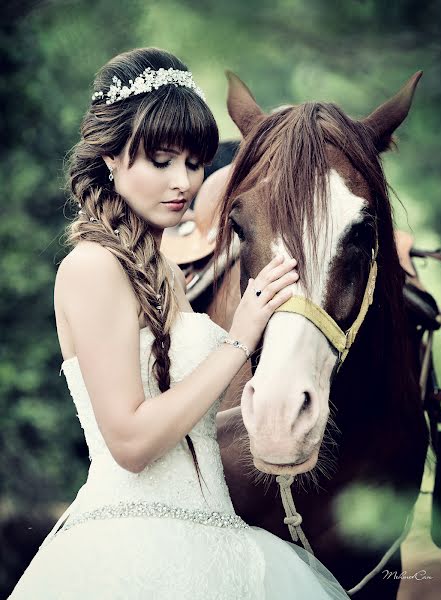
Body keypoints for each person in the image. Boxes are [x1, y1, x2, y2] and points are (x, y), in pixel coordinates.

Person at [9, 47, 349, 599]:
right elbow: (132, 442)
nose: (184, 182)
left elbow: (190, 421)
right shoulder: (93, 267)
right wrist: (240, 339)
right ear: (112, 159)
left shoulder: (162, 269)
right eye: (162, 160)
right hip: (134, 557)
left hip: (219, 545)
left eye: (194, 163)